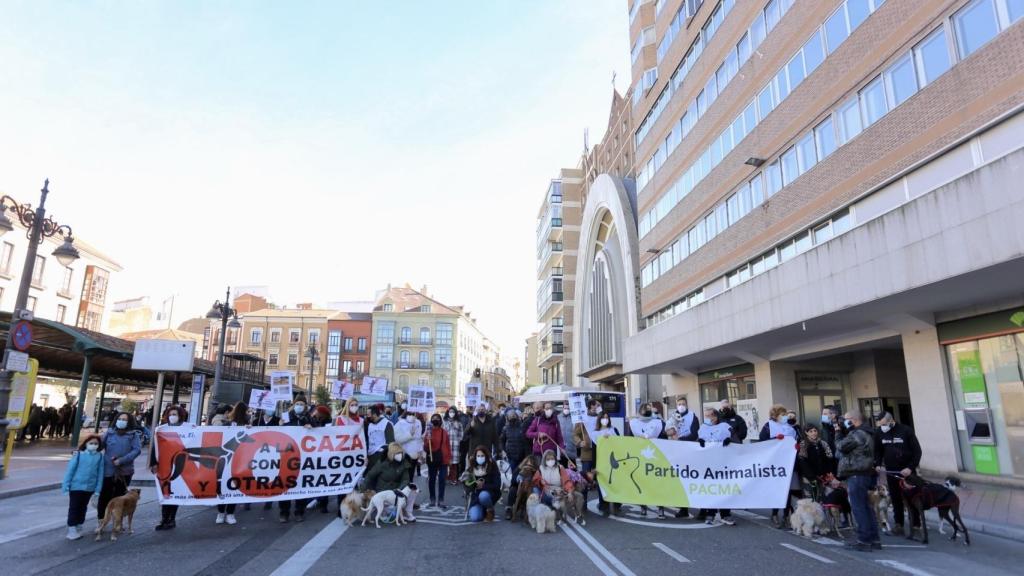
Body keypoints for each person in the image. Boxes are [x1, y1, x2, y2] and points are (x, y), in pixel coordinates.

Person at [837, 409, 880, 551]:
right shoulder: (867, 432)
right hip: (864, 473)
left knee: (859, 507)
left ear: (854, 420)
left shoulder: (858, 433)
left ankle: (864, 540)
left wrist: (838, 433)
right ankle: (874, 539)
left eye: (846, 419)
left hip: (856, 473)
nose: (843, 421)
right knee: (866, 507)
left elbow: (840, 447)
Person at [874, 412, 922, 537]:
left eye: (884, 424)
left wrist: (910, 468)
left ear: (891, 420)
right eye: (880, 424)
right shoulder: (879, 432)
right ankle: (898, 524)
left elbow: (917, 452)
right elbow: (878, 450)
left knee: (911, 498)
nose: (882, 427)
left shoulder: (906, 431)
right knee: (895, 499)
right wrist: (878, 464)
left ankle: (916, 524)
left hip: (907, 472)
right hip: (891, 471)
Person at [97, 412, 141, 525]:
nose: (121, 421)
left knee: (120, 497)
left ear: (129, 422)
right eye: (120, 418)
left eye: (124, 419)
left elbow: (136, 450)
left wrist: (121, 460)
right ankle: (101, 520)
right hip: (108, 470)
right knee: (104, 496)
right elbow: (99, 445)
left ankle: (117, 522)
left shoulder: (133, 435)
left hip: (124, 471)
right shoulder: (109, 433)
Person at [760, 404, 800, 528]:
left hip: (789, 462)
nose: (785, 417)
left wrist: (796, 446)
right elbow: (762, 442)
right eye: (782, 415)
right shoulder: (768, 426)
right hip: (776, 463)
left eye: (785, 414)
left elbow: (797, 440)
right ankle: (774, 513)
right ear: (775, 415)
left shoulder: (790, 427)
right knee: (779, 489)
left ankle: (786, 516)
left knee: (787, 490)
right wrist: (775, 440)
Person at [150, 405, 188, 530]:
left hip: (179, 464)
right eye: (170, 414)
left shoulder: (187, 429)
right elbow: (155, 447)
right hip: (164, 465)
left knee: (175, 491)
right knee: (165, 492)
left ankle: (171, 519)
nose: (172, 417)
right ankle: (164, 519)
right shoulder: (161, 429)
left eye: (175, 414)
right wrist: (153, 463)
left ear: (180, 416)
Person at [62, 433, 105, 540]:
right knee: (74, 507)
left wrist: (97, 490)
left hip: (90, 488)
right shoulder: (79, 455)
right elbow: (70, 471)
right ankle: (72, 528)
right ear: (86, 443)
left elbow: (100, 474)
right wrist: (66, 485)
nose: (93, 445)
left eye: (96, 443)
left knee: (83, 507)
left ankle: (79, 525)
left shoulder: (99, 457)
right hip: (76, 486)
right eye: (91, 443)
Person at [697, 408, 735, 526]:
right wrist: (700, 441)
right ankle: (711, 513)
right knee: (711, 487)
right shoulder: (703, 427)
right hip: (709, 462)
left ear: (715, 417)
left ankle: (725, 514)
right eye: (706, 415)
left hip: (723, 461)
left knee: (724, 487)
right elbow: (699, 438)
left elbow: (733, 436)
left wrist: (729, 439)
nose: (707, 418)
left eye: (709, 416)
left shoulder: (724, 426)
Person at [214, 402, 251, 525]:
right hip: (230, 459)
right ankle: (228, 513)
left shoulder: (245, 425)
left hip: (236, 460)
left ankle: (223, 513)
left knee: (227, 486)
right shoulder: (228, 424)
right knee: (230, 485)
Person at [279, 395, 314, 523]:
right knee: (286, 484)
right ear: (294, 405)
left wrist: (311, 426)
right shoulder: (286, 416)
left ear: (305, 406)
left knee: (301, 484)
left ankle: (299, 511)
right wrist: (281, 425)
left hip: (303, 456)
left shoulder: (309, 417)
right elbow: (279, 432)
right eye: (297, 403)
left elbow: (317, 429)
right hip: (288, 455)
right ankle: (284, 512)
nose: (299, 406)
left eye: (302, 404)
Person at [630, 402, 666, 518]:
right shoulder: (633, 423)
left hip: (656, 457)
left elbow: (664, 438)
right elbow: (628, 440)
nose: (647, 410)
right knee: (642, 483)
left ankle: (660, 507)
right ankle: (643, 506)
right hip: (640, 457)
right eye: (645, 409)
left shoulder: (659, 423)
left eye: (649, 409)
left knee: (658, 483)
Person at [363, 442, 415, 522]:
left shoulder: (404, 463)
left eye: (401, 453)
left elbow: (406, 479)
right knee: (390, 514)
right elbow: (370, 476)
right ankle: (384, 510)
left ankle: (408, 513)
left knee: (412, 490)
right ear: (391, 454)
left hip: (397, 492)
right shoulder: (382, 463)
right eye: (397, 453)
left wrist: (399, 490)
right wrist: (363, 489)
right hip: (383, 493)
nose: (400, 455)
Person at [500, 409, 530, 519]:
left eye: (514, 415)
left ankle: (523, 505)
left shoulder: (522, 428)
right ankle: (509, 507)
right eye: (510, 415)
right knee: (514, 482)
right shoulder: (505, 428)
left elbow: (527, 444)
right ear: (507, 417)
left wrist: (528, 457)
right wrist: (504, 450)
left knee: (524, 482)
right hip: (512, 458)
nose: (512, 417)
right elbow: (501, 441)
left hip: (523, 459)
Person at [592, 413, 620, 516]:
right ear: (599, 420)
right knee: (602, 484)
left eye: (607, 418)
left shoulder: (614, 430)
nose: (605, 419)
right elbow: (594, 451)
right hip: (601, 462)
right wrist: (594, 466)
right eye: (603, 418)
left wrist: (612, 439)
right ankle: (604, 506)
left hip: (613, 460)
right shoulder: (595, 433)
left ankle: (617, 505)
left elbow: (620, 444)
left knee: (615, 482)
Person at [798, 425, 834, 502]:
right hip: (810, 478)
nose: (813, 433)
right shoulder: (803, 444)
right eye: (811, 431)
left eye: (815, 431)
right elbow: (803, 462)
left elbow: (829, 459)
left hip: (823, 476)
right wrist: (811, 476)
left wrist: (828, 472)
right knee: (812, 498)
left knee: (824, 497)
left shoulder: (823, 443)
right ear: (806, 433)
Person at [466, 446, 502, 522]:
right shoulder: (472, 467)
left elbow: (497, 484)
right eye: (478, 456)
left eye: (482, 456)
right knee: (475, 518)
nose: (480, 458)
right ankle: (483, 510)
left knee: (483, 496)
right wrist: (473, 484)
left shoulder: (492, 466)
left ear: (486, 456)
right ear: (475, 457)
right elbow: (467, 485)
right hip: (475, 497)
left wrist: (483, 486)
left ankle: (490, 509)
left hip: (489, 493)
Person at [424, 413, 451, 508]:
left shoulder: (444, 432)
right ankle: (432, 499)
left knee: (442, 479)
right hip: (432, 459)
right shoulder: (428, 432)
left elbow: (448, 446)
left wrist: (449, 459)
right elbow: (425, 448)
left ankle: (441, 499)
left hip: (443, 459)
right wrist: (428, 441)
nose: (435, 420)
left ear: (440, 421)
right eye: (433, 418)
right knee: (432, 479)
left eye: (437, 418)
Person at [395, 409, 424, 483]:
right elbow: (397, 439)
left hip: (414, 454)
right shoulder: (400, 423)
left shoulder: (418, 422)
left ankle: (409, 490)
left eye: (413, 414)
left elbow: (419, 438)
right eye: (410, 414)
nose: (411, 416)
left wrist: (420, 450)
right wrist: (410, 435)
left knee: (411, 476)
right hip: (404, 453)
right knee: (404, 476)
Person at [364, 404, 396, 470]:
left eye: (368, 414)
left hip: (381, 457)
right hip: (370, 457)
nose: (367, 416)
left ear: (375, 414)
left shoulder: (387, 424)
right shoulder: (369, 424)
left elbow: (391, 443)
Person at [443, 407, 464, 484]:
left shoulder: (458, 423)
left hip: (455, 445)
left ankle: (453, 478)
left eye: (453, 412)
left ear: (455, 413)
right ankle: (445, 477)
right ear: (448, 412)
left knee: (454, 463)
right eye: (450, 411)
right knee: (445, 462)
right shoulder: (444, 422)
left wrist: (459, 440)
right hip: (446, 444)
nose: (451, 413)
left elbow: (461, 433)